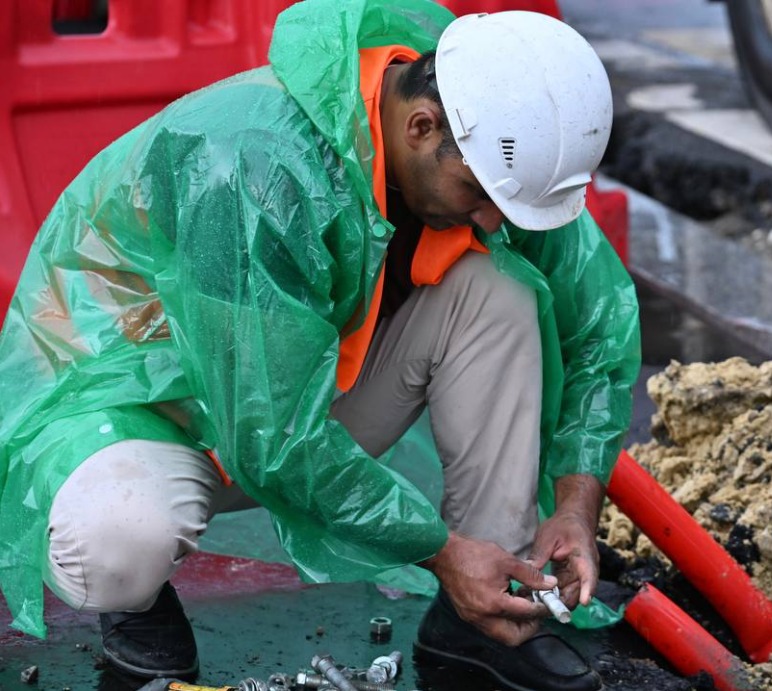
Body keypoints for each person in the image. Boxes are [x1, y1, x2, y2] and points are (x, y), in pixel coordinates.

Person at [0, 1, 640, 690]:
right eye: (481, 196)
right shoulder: (250, 166)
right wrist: (440, 551)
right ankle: (136, 605)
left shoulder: (489, 134)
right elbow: (272, 439)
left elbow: (600, 320)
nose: (492, 219)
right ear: (420, 126)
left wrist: (575, 504)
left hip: (287, 401)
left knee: (501, 293)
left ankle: (488, 607)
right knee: (118, 536)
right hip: (135, 414)